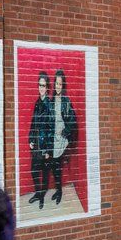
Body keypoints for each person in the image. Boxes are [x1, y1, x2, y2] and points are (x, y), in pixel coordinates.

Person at [48, 69, 77, 205]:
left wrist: (65, 132)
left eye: (60, 84)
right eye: (56, 84)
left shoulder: (66, 101)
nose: (58, 86)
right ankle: (58, 189)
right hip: (53, 138)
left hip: (61, 140)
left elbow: (73, 121)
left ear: (63, 85)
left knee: (58, 166)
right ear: (54, 84)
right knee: (54, 166)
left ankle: (59, 192)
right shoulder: (52, 100)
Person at [27, 71, 52, 210]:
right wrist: (30, 139)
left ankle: (41, 196)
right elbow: (33, 123)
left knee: (44, 172)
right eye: (39, 85)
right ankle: (38, 193)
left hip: (44, 144)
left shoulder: (48, 105)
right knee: (34, 171)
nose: (41, 88)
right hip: (36, 142)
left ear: (47, 87)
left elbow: (50, 128)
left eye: (43, 85)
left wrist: (48, 149)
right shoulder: (38, 102)